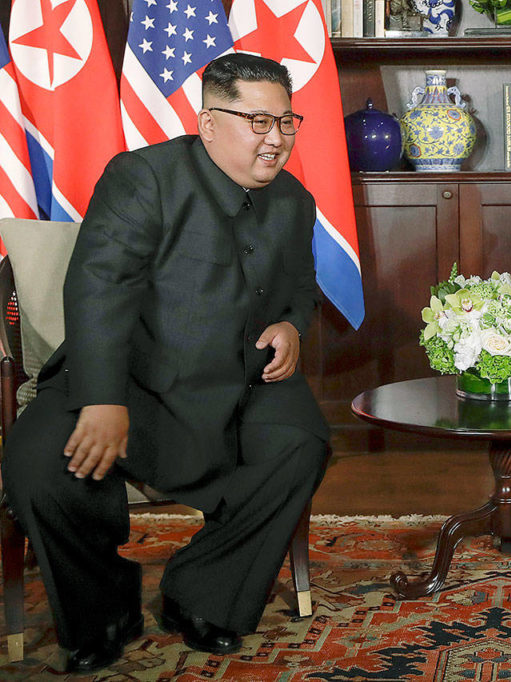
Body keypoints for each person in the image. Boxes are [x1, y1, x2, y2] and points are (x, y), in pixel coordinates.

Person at [1, 53, 331, 673]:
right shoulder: (141, 176)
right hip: (126, 376)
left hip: (241, 381)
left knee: (300, 443)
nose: (276, 138)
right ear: (208, 123)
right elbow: (99, 286)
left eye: (287, 121)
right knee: (38, 468)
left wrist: (290, 324)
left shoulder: (294, 200)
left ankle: (200, 593)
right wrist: (102, 399)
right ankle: (104, 610)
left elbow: (301, 290)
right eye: (258, 121)